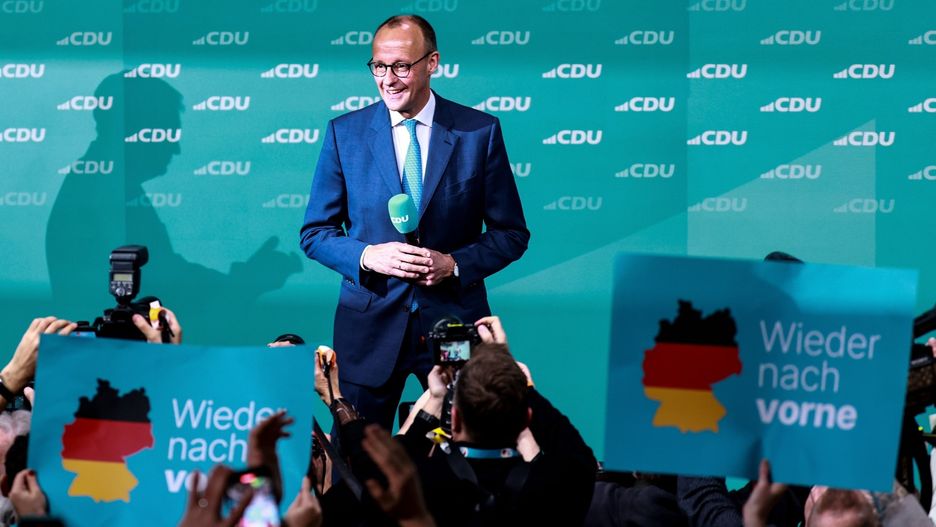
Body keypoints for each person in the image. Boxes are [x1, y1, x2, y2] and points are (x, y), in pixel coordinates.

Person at [299, 14, 529, 430]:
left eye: (401, 66)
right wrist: (368, 256)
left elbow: (511, 234)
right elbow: (316, 233)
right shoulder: (344, 134)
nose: (388, 79)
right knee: (357, 459)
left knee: (464, 454)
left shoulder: (479, 132)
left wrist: (453, 264)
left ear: (432, 63)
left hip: (453, 327)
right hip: (368, 330)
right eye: (379, 66)